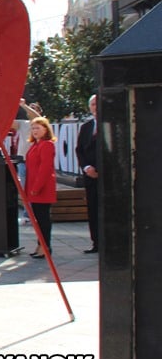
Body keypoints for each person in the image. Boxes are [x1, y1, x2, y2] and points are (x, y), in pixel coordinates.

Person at [25, 118, 57, 259]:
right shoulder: (35, 145)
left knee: (43, 219)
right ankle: (40, 245)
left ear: (45, 129)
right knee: (38, 219)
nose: (35, 131)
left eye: (38, 128)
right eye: (33, 128)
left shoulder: (47, 145)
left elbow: (45, 168)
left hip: (42, 188)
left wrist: (37, 187)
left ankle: (45, 247)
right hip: (34, 187)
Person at [76, 95, 99, 254]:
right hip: (89, 176)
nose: (95, 107)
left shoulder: (112, 122)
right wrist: (86, 167)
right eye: (92, 104)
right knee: (93, 209)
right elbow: (80, 150)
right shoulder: (86, 127)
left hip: (106, 176)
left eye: (97, 103)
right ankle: (96, 242)